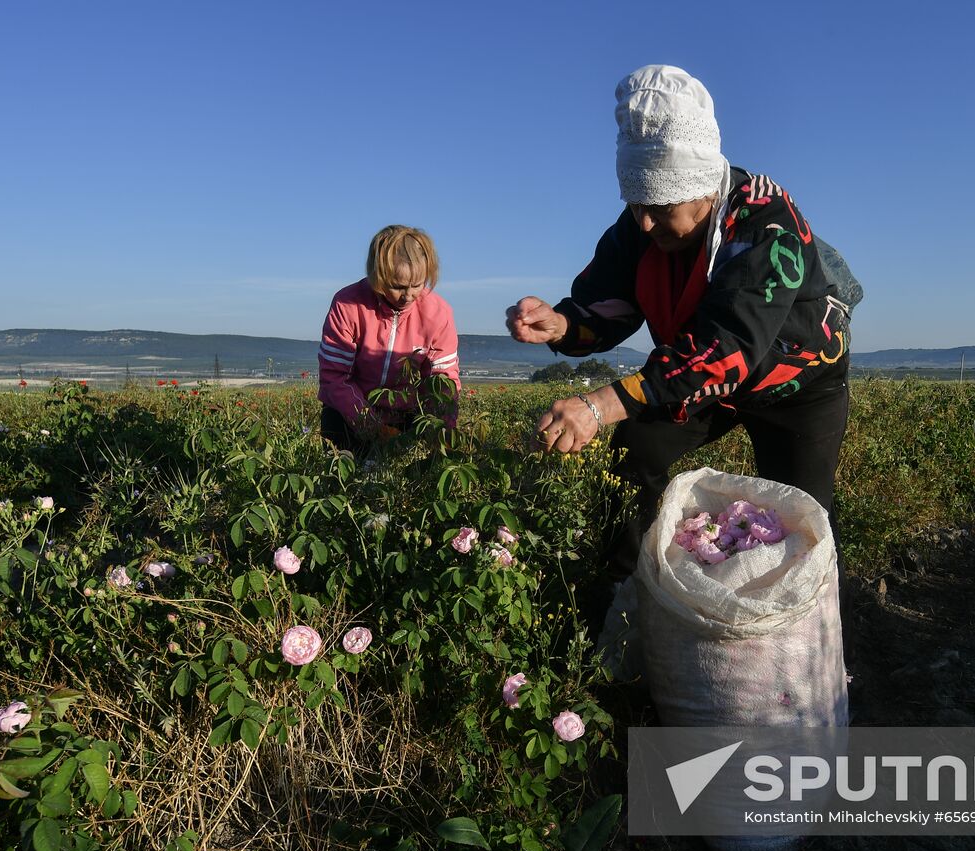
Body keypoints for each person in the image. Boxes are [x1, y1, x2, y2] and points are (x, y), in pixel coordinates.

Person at [505, 65, 857, 580]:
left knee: (803, 519)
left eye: (661, 207)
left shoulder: (767, 223)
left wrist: (599, 405)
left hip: (796, 385)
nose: (646, 222)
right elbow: (609, 303)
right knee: (635, 450)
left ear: (702, 189)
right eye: (636, 205)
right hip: (695, 377)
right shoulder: (641, 228)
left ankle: (803, 645)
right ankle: (629, 590)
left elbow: (726, 349)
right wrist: (561, 324)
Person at [318, 225, 460, 452]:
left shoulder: (439, 313)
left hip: (410, 415)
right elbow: (334, 377)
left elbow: (443, 380)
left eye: (417, 285)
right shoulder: (348, 304)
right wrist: (371, 426)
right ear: (377, 276)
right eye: (397, 286)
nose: (408, 295)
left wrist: (443, 430)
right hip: (349, 412)